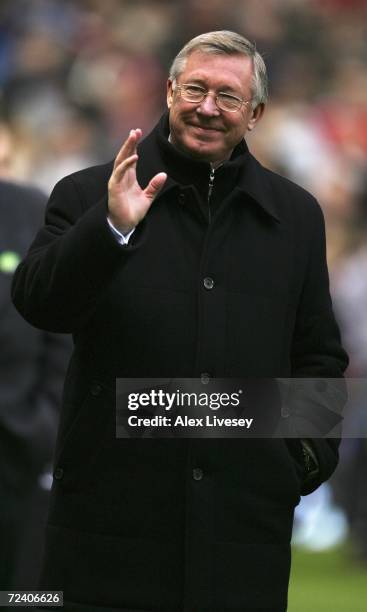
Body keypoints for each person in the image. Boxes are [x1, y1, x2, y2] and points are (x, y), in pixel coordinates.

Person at [11, 31, 348, 612]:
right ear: (169, 90)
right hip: (107, 530)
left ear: (256, 113)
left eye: (228, 96)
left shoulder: (295, 216)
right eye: (195, 88)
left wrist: (296, 462)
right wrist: (110, 229)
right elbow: (41, 304)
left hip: (241, 537)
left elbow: (317, 357)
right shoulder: (90, 192)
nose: (208, 107)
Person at [0, 179, 71, 598]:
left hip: (22, 448)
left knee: (27, 594)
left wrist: (45, 421)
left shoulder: (30, 208)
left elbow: (61, 323)